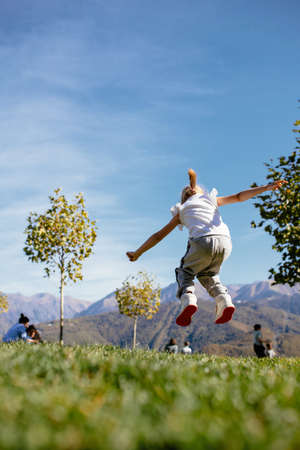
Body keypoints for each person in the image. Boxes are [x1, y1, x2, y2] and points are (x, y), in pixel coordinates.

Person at [126, 168, 287, 327]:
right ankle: (224, 300)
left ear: (183, 199)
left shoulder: (181, 211)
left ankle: (188, 298)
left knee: (185, 272)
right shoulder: (210, 200)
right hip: (225, 242)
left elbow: (158, 236)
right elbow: (239, 197)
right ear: (201, 192)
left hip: (202, 242)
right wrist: (266, 188)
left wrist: (138, 253)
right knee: (208, 273)